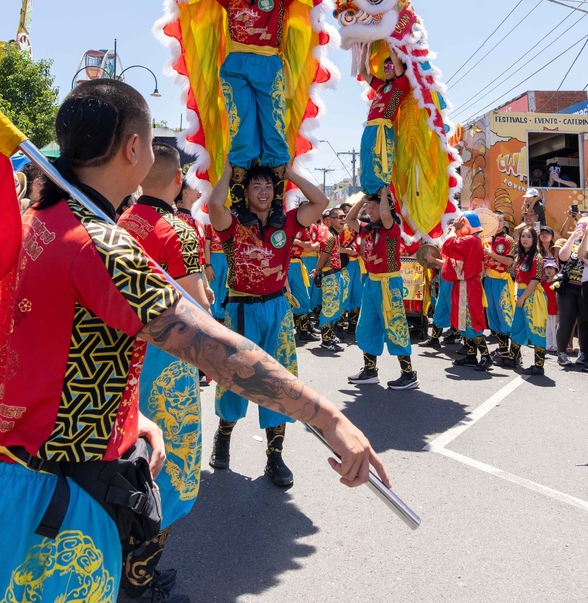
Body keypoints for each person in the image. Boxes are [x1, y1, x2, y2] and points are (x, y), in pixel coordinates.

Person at [0, 80, 389, 603]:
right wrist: (330, 418)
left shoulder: (34, 220)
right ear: (134, 149)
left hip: (25, 475)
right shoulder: (100, 242)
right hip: (58, 502)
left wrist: (129, 416)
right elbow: (216, 349)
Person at [117, 142, 205, 602]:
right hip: (167, 362)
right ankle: (140, 579)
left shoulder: (118, 223)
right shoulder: (179, 231)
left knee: (126, 462)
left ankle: (122, 565)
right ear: (176, 180)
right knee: (169, 471)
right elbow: (198, 306)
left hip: (122, 359)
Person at [207, 159, 328, 487]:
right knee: (233, 378)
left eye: (268, 186)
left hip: (277, 309)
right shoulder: (232, 224)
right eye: (256, 186)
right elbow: (215, 205)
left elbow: (320, 201)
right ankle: (223, 436)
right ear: (245, 192)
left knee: (279, 381)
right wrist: (228, 172)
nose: (263, 191)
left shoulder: (287, 222)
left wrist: (288, 173)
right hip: (241, 310)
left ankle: (275, 455)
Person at [210, 0, 315, 229]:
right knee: (242, 132)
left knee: (273, 132)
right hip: (236, 67)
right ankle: (238, 203)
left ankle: (277, 203)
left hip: (269, 66)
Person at [345, 191, 419, 389]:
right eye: (368, 208)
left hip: (389, 283)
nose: (369, 211)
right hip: (371, 282)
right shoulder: (367, 229)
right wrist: (362, 200)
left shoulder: (391, 229)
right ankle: (370, 371)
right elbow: (349, 219)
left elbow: (386, 215)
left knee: (395, 327)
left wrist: (384, 192)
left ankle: (409, 374)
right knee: (367, 326)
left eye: (373, 207)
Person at [442, 212, 493, 372]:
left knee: (470, 321)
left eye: (461, 224)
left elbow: (447, 246)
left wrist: (453, 229)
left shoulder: (471, 240)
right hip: (465, 284)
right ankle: (471, 354)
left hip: (468, 286)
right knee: (463, 320)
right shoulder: (472, 240)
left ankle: (486, 356)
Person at [358, 49, 411, 196]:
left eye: (389, 66)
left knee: (379, 166)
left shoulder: (401, 85)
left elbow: (396, 62)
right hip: (369, 128)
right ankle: (370, 197)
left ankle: (382, 197)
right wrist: (364, 52)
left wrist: (390, 41)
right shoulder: (381, 86)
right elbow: (362, 72)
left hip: (383, 129)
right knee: (366, 163)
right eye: (384, 67)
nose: (385, 69)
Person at [495, 228, 547, 376]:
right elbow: (517, 279)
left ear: (534, 239)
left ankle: (539, 365)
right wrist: (516, 295)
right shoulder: (521, 257)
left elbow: (535, 281)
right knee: (517, 326)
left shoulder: (537, 258)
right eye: (523, 236)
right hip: (520, 296)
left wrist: (523, 297)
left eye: (529, 236)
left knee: (535, 328)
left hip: (532, 297)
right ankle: (512, 358)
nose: (525, 239)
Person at [312, 207, 351, 352]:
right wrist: (317, 271)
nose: (343, 220)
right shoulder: (329, 237)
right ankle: (326, 341)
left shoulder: (335, 235)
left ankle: (330, 337)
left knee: (335, 307)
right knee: (329, 309)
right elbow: (323, 257)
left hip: (335, 275)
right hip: (330, 276)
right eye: (340, 217)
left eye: (344, 217)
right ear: (330, 220)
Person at [556, 219, 588, 368]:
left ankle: (583, 352)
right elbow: (563, 257)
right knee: (566, 320)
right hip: (568, 287)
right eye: (580, 225)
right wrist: (573, 237)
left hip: (585, 288)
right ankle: (561, 352)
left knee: (584, 321)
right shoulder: (573, 241)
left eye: (586, 226)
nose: (583, 228)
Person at [482, 212, 515, 357]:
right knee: (493, 315)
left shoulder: (508, 240)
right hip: (489, 280)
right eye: (494, 220)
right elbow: (483, 263)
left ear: (504, 223)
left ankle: (515, 352)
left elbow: (509, 261)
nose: (497, 223)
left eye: (500, 221)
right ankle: (502, 348)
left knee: (506, 314)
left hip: (502, 281)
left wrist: (491, 254)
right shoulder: (487, 240)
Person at [541, 259, 559, 353]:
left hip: (555, 308)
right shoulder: (543, 283)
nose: (548, 270)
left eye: (551, 268)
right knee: (548, 328)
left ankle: (556, 345)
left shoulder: (557, 283)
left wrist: (559, 308)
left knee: (555, 327)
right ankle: (548, 344)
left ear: (555, 270)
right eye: (547, 268)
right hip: (546, 309)